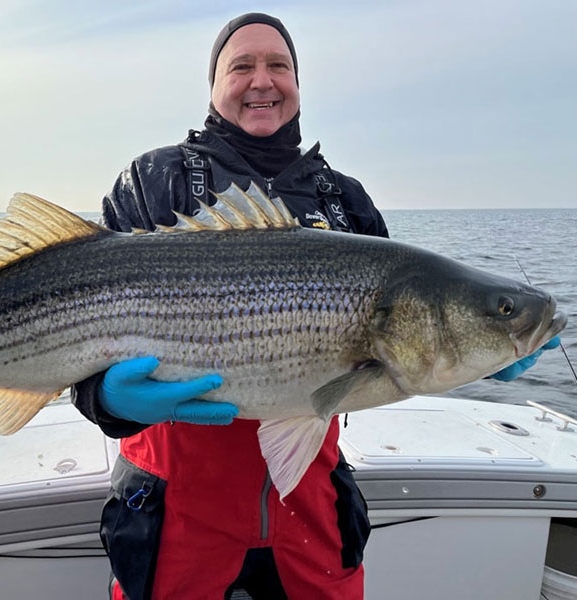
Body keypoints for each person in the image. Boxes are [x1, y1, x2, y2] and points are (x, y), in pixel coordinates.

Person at [72, 13, 558, 600]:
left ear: (298, 83)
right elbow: (70, 323)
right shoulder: (156, 180)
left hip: (309, 505)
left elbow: (409, 340)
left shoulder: (346, 200)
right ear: (214, 85)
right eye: (242, 65)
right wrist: (107, 401)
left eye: (279, 65)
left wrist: (484, 350)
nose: (262, 80)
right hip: (176, 504)